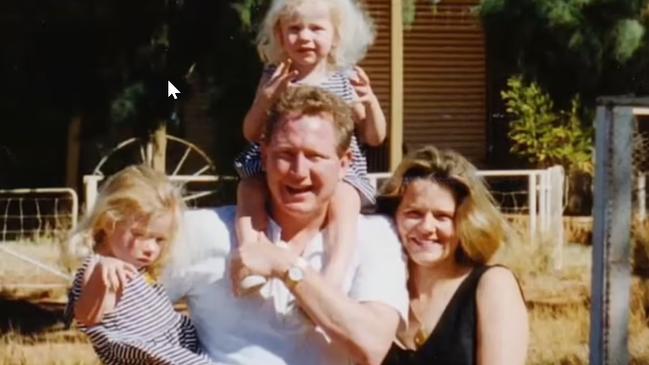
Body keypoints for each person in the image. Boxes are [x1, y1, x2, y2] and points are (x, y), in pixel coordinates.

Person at [164, 85, 408, 365]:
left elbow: (372, 346)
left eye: (315, 156)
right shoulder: (204, 231)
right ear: (265, 156)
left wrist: (285, 266)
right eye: (285, 154)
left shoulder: (374, 237)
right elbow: (128, 310)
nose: (299, 172)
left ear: (344, 163)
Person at [234, 0, 386, 290]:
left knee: (345, 199)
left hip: (336, 170)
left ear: (336, 36)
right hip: (277, 164)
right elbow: (251, 133)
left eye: (316, 28)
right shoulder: (274, 76)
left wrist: (371, 102)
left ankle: (334, 273)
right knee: (248, 189)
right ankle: (251, 258)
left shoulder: (344, 77)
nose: (305, 37)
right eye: (294, 29)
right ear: (280, 36)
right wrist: (266, 99)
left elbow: (374, 137)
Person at [377, 146, 529, 365]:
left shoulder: (493, 286)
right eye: (414, 213)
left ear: (466, 222)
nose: (426, 227)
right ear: (394, 216)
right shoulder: (380, 288)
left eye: (442, 216)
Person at [65, 165, 214, 365]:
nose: (151, 248)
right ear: (110, 223)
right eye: (139, 235)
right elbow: (86, 316)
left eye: (159, 239)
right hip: (145, 354)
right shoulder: (100, 267)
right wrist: (101, 277)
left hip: (174, 345)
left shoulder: (137, 266)